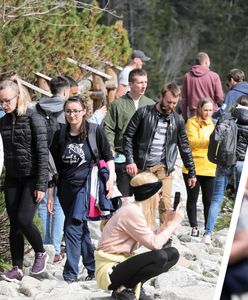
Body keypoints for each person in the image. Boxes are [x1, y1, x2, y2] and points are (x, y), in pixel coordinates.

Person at [50, 95, 115, 282]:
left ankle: (70, 273)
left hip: (86, 186)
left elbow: (107, 156)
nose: (72, 115)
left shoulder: (95, 131)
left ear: (84, 112)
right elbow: (54, 164)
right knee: (80, 226)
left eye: (76, 111)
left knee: (71, 227)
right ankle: (93, 267)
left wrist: (111, 178)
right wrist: (50, 190)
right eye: (68, 111)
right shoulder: (59, 134)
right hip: (65, 188)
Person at [95, 171, 183, 300]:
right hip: (109, 270)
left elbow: (150, 237)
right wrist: (173, 224)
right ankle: (124, 288)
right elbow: (155, 244)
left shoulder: (136, 210)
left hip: (122, 263)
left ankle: (129, 286)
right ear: (150, 194)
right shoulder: (132, 211)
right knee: (160, 256)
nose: (161, 198)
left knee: (173, 253)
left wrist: (166, 224)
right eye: (159, 194)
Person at [124, 82, 197, 225]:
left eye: (175, 103)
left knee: (165, 203)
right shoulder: (143, 113)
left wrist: (192, 172)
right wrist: (130, 160)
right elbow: (128, 137)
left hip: (163, 167)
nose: (171, 106)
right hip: (142, 166)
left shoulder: (178, 120)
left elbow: (185, 147)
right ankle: (144, 234)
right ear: (161, 97)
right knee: (144, 203)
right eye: (169, 102)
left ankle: (165, 236)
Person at [0, 75, 49, 282]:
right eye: (0, 102)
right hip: (12, 177)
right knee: (14, 224)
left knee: (24, 219)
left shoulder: (33, 118)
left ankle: (41, 252)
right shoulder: (2, 122)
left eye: (7, 101)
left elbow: (42, 152)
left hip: (32, 177)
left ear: (18, 96)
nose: (4, 105)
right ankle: (17, 268)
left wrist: (41, 184)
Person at [202, 95, 248, 245]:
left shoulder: (228, 117)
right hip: (242, 163)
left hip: (224, 161)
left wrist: (213, 157)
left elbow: (214, 137)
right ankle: (238, 236)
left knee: (217, 198)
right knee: (242, 199)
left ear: (237, 105)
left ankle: (207, 234)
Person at [104, 69, 154, 198]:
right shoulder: (118, 104)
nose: (144, 86)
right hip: (122, 158)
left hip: (144, 159)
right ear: (130, 84)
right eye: (140, 82)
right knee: (123, 199)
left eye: (146, 82)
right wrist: (110, 148)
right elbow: (108, 128)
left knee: (143, 199)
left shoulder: (151, 105)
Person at [37, 76, 70, 263]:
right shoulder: (66, 111)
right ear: (65, 92)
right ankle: (56, 250)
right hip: (60, 163)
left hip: (41, 161)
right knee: (57, 205)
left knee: (42, 203)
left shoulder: (38, 108)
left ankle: (42, 247)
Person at [182, 97, 216, 237]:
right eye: (205, 110)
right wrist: (212, 141)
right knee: (192, 198)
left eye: (210, 110)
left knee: (208, 201)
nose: (207, 113)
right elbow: (192, 142)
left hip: (210, 167)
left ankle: (208, 229)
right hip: (193, 166)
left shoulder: (213, 124)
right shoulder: (191, 122)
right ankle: (194, 226)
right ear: (199, 109)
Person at [182, 52, 223, 121]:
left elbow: (184, 99)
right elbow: (220, 97)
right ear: (206, 62)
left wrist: (184, 116)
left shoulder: (187, 76)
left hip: (194, 114)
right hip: (210, 114)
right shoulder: (214, 76)